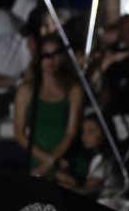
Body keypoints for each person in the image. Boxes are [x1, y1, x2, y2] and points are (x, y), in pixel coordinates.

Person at [13, 36, 84, 178]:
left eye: (55, 54)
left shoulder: (74, 89)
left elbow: (71, 132)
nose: (50, 60)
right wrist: (48, 161)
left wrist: (50, 162)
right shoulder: (26, 90)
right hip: (37, 157)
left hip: (66, 158)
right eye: (46, 54)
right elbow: (19, 133)